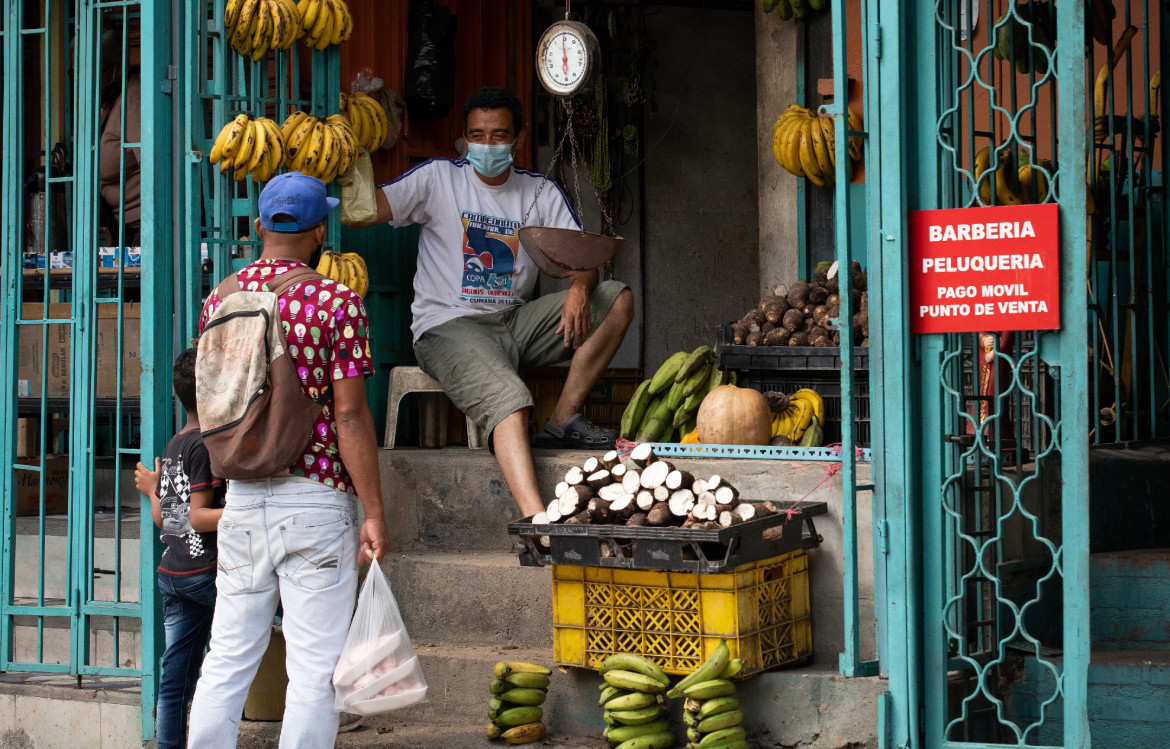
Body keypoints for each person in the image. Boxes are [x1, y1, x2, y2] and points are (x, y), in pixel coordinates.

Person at [347, 87, 635, 519]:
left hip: (514, 322)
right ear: (464, 138)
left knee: (616, 298)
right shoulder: (438, 178)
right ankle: (538, 522)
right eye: (477, 135)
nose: (487, 145)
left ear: (516, 140)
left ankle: (561, 421)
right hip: (449, 327)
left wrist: (578, 287)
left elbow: (582, 257)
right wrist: (347, 147)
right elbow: (366, 209)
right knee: (511, 398)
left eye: (499, 135)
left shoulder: (538, 191)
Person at [186, 172, 389, 748]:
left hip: (243, 500)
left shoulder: (220, 299)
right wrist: (372, 510)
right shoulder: (336, 302)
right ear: (319, 229)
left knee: (225, 659)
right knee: (313, 673)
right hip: (317, 499)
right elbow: (350, 417)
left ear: (259, 227)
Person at [133, 349, 225, 749]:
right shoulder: (206, 446)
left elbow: (168, 520)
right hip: (205, 573)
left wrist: (155, 489)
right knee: (230, 660)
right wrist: (243, 513)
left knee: (174, 681)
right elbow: (198, 517)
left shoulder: (175, 444)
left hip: (174, 575)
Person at [97, 24, 141, 246]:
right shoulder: (109, 101)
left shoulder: (132, 97)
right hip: (119, 227)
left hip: (141, 228)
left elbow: (153, 165)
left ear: (114, 66)